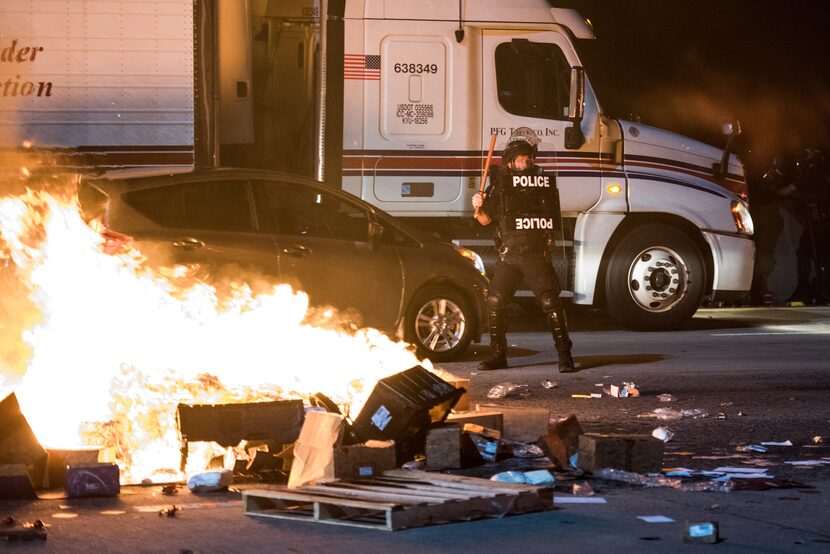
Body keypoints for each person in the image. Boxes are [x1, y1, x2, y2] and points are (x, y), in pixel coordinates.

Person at [472, 127, 576, 373]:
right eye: (520, 158)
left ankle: (565, 355)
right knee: (495, 300)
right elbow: (485, 220)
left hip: (533, 253)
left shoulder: (541, 184)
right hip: (509, 254)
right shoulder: (500, 187)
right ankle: (498, 355)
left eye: (528, 157)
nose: (525, 162)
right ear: (510, 163)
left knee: (550, 300)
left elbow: (551, 213)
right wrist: (478, 205)